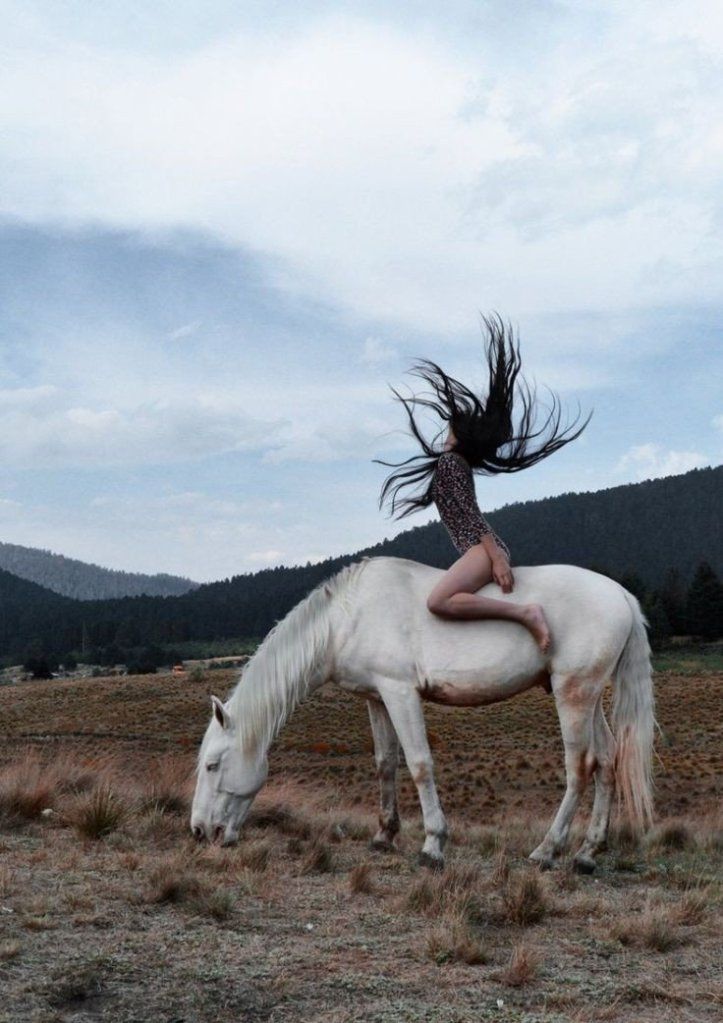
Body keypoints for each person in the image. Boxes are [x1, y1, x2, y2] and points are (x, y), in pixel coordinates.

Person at [374, 314, 592, 653]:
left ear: (459, 437)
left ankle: (526, 614)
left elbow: (472, 514)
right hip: (480, 550)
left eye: (450, 428)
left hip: (481, 550)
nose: (445, 431)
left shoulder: (450, 462)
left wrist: (497, 560)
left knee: (438, 601)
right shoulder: (454, 464)